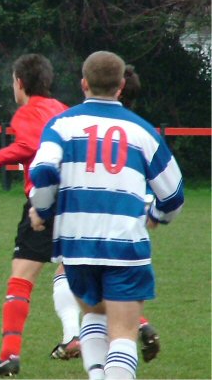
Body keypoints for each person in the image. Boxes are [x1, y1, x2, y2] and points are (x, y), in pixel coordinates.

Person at [29, 51, 184, 380]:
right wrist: (156, 215)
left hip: (77, 247)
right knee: (124, 332)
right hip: (125, 246)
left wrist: (41, 210)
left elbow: (41, 171)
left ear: (83, 83)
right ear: (121, 85)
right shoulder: (142, 131)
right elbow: (173, 196)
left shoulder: (62, 125)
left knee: (94, 319)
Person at [0, 53, 79, 377]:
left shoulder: (28, 112)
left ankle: (9, 355)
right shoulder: (64, 110)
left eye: (13, 80)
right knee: (75, 270)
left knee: (21, 279)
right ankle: (73, 337)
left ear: (20, 83)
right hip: (77, 201)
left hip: (44, 200)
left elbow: (29, 145)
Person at [118, 64, 161, 363]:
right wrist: (157, 215)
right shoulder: (143, 131)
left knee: (75, 277)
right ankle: (141, 324)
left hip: (98, 224)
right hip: (135, 228)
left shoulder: (93, 128)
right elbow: (172, 190)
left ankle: (74, 338)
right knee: (119, 292)